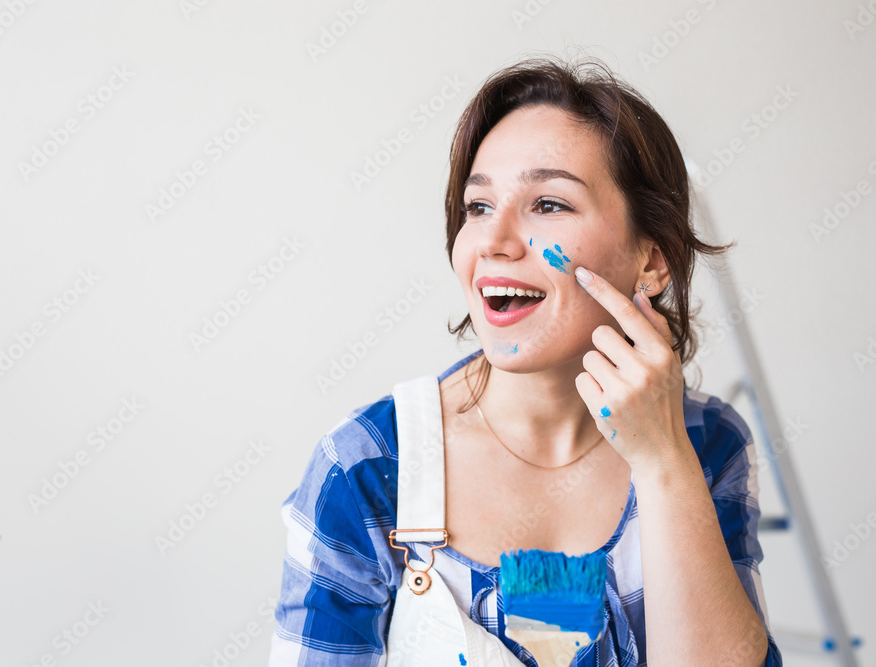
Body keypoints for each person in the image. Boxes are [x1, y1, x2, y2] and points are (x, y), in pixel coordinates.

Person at [268, 54, 784, 666]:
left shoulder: (708, 443)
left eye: (549, 205)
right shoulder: (365, 468)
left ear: (651, 259)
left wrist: (664, 462)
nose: (493, 241)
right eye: (478, 207)